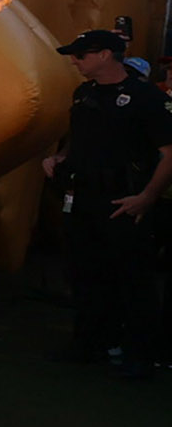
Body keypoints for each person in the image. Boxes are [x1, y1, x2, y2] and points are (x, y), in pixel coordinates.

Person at [44, 30, 172, 381]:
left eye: (81, 55)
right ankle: (88, 343)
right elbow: (79, 138)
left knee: (133, 278)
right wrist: (60, 158)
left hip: (122, 198)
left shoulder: (146, 98)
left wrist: (147, 197)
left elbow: (169, 154)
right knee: (84, 273)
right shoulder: (83, 93)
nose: (75, 61)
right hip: (82, 196)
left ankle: (139, 354)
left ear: (105, 55)